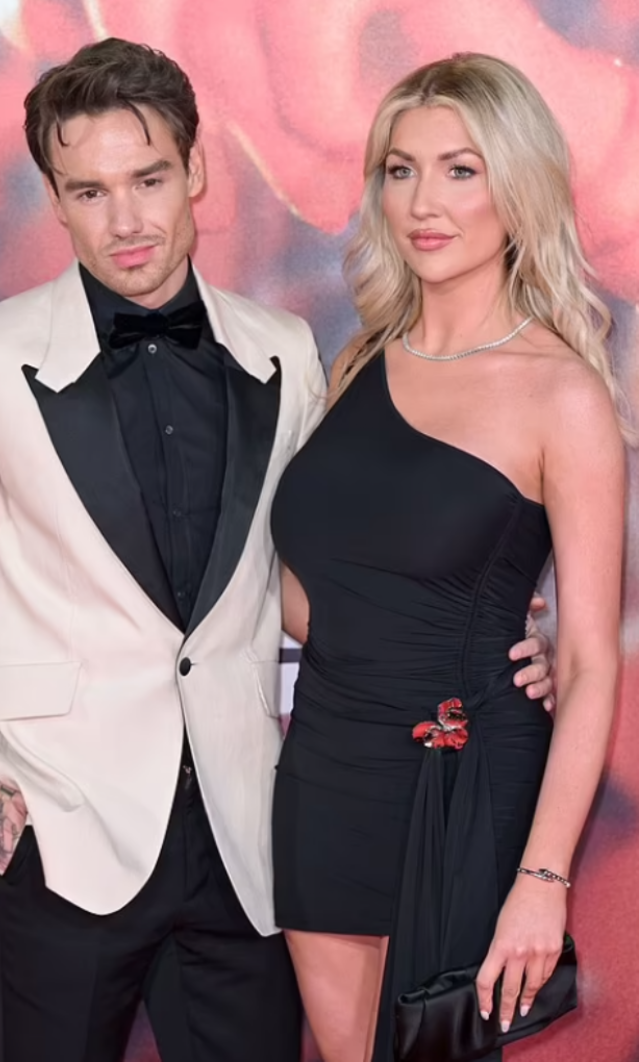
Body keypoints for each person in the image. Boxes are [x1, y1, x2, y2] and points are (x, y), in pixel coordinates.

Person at [0, 40, 552, 1062]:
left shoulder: (283, 349)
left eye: (148, 180)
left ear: (197, 171)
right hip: (64, 837)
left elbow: (328, 568)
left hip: (247, 841)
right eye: (89, 191)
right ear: (55, 200)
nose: (125, 220)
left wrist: (485, 634)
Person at [270, 52, 625, 1062]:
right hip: (325, 769)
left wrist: (542, 880)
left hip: (462, 780)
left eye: (460, 170)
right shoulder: (355, 361)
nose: (423, 201)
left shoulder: (562, 394)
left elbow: (589, 662)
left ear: (516, 188)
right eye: (401, 169)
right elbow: (311, 596)